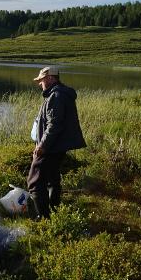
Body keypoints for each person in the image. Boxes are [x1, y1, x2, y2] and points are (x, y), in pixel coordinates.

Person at [29, 66, 86, 219]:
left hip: (51, 147)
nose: (39, 83)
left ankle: (44, 219)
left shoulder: (56, 96)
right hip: (57, 146)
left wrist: (42, 146)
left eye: (41, 80)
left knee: (34, 182)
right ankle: (54, 213)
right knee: (52, 180)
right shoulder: (59, 94)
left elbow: (54, 125)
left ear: (50, 78)